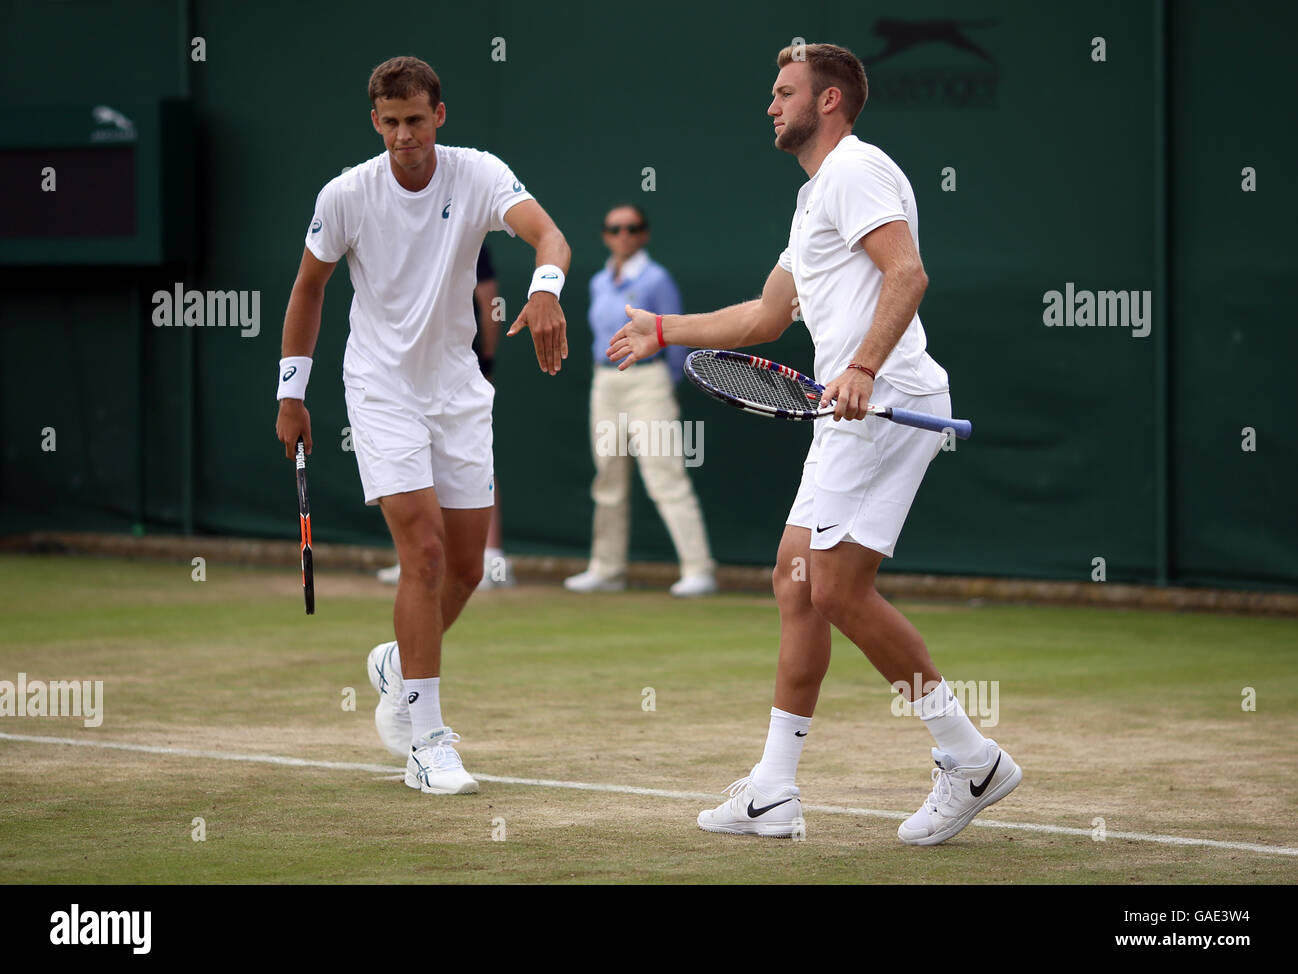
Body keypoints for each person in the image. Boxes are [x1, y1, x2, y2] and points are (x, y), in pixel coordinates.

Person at [608, 43, 1021, 844]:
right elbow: (766, 318)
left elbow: (908, 273)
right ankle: (774, 791)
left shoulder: (857, 170)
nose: (771, 105)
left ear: (830, 101)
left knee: (832, 588)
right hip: (856, 405)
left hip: (883, 398)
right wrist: (663, 329)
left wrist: (863, 365)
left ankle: (969, 757)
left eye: (785, 91)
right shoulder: (813, 200)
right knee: (797, 583)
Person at [275, 56, 570, 795]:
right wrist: (292, 395)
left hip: (459, 389)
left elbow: (550, 237)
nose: (404, 134)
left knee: (467, 570)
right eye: (390, 121)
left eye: (416, 119)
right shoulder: (346, 195)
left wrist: (544, 290)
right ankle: (426, 741)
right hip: (379, 388)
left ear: (440, 115)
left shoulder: (476, 174)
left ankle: (396, 666)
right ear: (375, 122)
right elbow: (309, 288)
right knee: (427, 554)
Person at [564, 204, 716, 597]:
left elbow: (676, 333)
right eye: (615, 229)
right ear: (605, 235)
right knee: (608, 478)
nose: (624, 235)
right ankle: (606, 568)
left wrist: (664, 382)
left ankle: (699, 569)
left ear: (644, 234)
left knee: (664, 475)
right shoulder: (599, 281)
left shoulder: (657, 279)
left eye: (632, 228)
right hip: (605, 383)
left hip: (648, 383)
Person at [376, 245, 515, 589]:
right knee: (414, 457)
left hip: (459, 364)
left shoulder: (467, 234)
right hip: (406, 369)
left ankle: (491, 555)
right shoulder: (396, 238)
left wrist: (487, 362)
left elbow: (488, 297)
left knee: (474, 456)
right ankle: (417, 555)